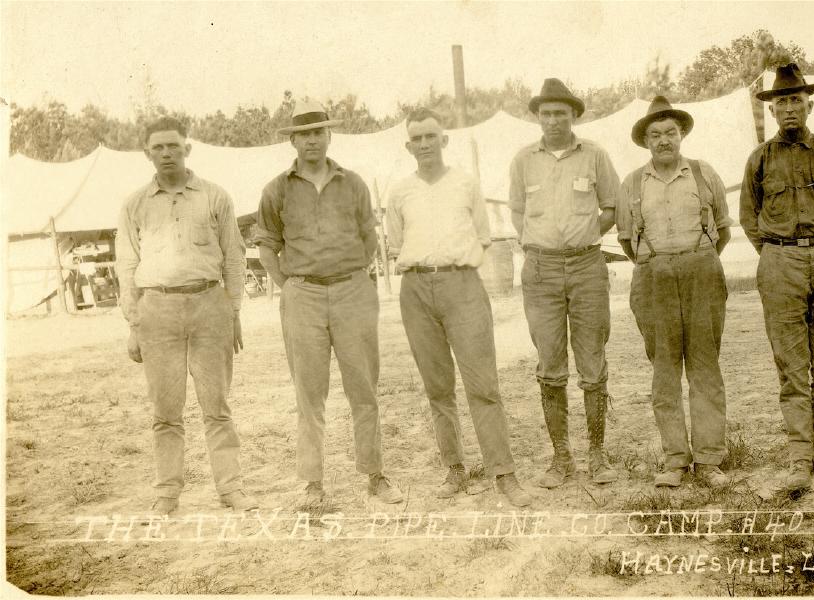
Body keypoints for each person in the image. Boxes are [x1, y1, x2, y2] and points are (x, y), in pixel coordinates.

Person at [254, 99, 402, 504]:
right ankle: (313, 484)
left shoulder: (353, 183)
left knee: (364, 387)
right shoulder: (277, 189)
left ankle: (375, 475)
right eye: (304, 134)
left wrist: (351, 275)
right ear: (294, 141)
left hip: (353, 291)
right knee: (309, 391)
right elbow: (267, 244)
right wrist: (290, 284)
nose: (312, 141)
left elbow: (370, 237)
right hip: (303, 294)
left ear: (329, 135)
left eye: (319, 132)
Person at [385, 108, 532, 507]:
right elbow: (397, 243)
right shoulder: (399, 192)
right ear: (408, 145)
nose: (424, 144)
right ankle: (455, 470)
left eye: (431, 136)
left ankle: (505, 474)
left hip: (462, 286)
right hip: (416, 289)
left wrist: (452, 267)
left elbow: (483, 237)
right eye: (417, 139)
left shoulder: (466, 184)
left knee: (483, 385)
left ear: (443, 140)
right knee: (438, 388)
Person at [116, 116, 256, 516]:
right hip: (156, 312)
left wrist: (234, 311)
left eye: (173, 146)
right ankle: (167, 493)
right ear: (147, 153)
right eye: (157, 147)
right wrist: (133, 324)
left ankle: (230, 488)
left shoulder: (215, 196)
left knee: (217, 405)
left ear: (187, 149)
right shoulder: (134, 205)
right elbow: (126, 266)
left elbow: (234, 256)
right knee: (166, 411)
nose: (165, 153)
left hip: (209, 306)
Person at [740, 64, 814, 492]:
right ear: (772, 111)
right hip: (780, 264)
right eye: (782, 101)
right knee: (792, 367)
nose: (789, 108)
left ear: (809, 103)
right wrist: (776, 254)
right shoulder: (760, 160)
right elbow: (749, 217)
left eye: (796, 99)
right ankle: (799, 459)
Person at [509, 78, 620, 488]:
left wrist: (585, 235)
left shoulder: (595, 155)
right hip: (541, 272)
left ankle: (597, 455)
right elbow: (517, 212)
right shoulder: (523, 160)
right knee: (550, 366)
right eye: (546, 113)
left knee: (592, 363)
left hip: (588, 266)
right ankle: (561, 458)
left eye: (561, 113)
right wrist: (536, 245)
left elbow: (612, 206)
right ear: (538, 117)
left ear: (573, 115)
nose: (553, 120)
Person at [617, 97, 733, 488]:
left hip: (701, 270)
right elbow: (626, 241)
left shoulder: (703, 173)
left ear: (681, 135)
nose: (664, 140)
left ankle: (710, 460)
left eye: (670, 132)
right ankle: (675, 461)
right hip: (654, 278)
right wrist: (660, 265)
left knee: (704, 366)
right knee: (664, 372)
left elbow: (724, 228)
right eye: (655, 135)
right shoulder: (632, 183)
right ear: (646, 141)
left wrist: (695, 259)